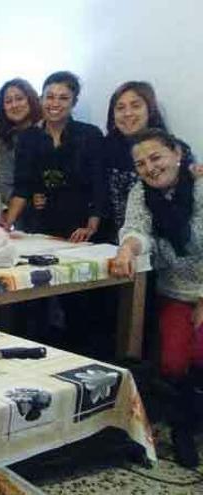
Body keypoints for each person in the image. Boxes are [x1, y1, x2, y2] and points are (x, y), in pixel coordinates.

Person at [111, 129, 203, 468]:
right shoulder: (141, 193)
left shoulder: (200, 186)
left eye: (156, 158)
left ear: (176, 153)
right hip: (175, 290)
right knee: (174, 362)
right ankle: (183, 426)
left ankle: (188, 424)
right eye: (140, 164)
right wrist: (127, 249)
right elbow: (137, 230)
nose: (150, 168)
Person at [3, 71, 104, 242]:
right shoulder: (28, 138)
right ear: (41, 99)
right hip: (40, 226)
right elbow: (22, 188)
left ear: (74, 102)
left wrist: (91, 227)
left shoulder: (90, 135)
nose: (55, 103)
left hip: (80, 228)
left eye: (63, 98)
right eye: (49, 97)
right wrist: (6, 226)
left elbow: (99, 186)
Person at [101, 81, 195, 242]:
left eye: (135, 106)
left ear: (150, 110)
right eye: (120, 108)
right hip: (116, 243)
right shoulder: (102, 149)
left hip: (171, 240)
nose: (128, 113)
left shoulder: (175, 148)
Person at [0, 78, 42, 206]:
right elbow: (6, 185)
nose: (14, 105)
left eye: (19, 98)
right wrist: (28, 202)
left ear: (30, 100)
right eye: (8, 101)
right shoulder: (8, 139)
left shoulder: (48, 130)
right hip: (23, 213)